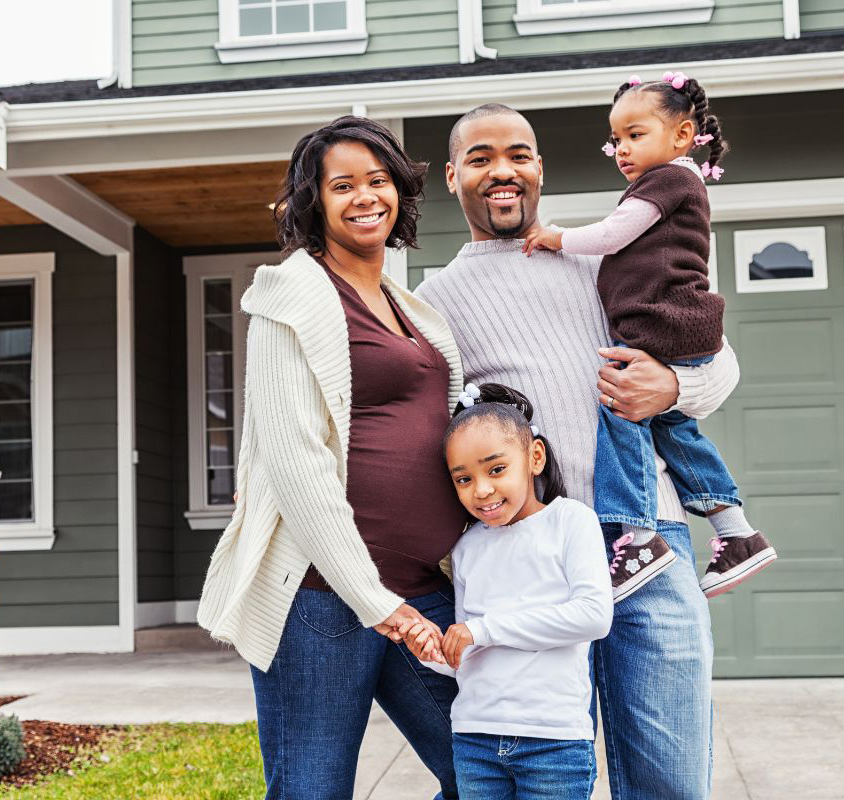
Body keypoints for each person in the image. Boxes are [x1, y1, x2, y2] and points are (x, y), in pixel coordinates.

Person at [415, 101, 741, 799]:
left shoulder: (605, 255)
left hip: (647, 542)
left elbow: (721, 371)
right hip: (528, 563)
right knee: (541, 776)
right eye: (480, 158)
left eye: (519, 155)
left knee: (670, 779)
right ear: (451, 176)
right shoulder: (433, 301)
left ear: (540, 168)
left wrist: (670, 386)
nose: (502, 171)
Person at [197, 116, 467, 800]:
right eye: (342, 184)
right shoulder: (292, 297)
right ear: (314, 202)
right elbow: (298, 468)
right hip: (321, 599)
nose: (365, 197)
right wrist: (378, 603)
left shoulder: (409, 307)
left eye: (378, 181)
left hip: (423, 591)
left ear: (401, 192)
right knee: (312, 791)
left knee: (494, 773)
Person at [522, 72, 776, 601]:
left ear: (682, 135)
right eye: (615, 138)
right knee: (675, 431)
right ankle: (737, 532)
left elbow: (613, 234)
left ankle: (640, 536)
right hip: (679, 326)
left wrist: (556, 238)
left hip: (664, 324)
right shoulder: (676, 182)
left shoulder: (668, 180)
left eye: (635, 135)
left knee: (622, 413)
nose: (621, 149)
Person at [400, 383, 613, 800]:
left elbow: (594, 615)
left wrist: (483, 630)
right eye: (463, 479)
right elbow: (469, 653)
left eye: (496, 469)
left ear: (534, 457)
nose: (481, 490)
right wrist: (435, 653)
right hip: (475, 738)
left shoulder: (572, 522)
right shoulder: (466, 548)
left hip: (553, 741)